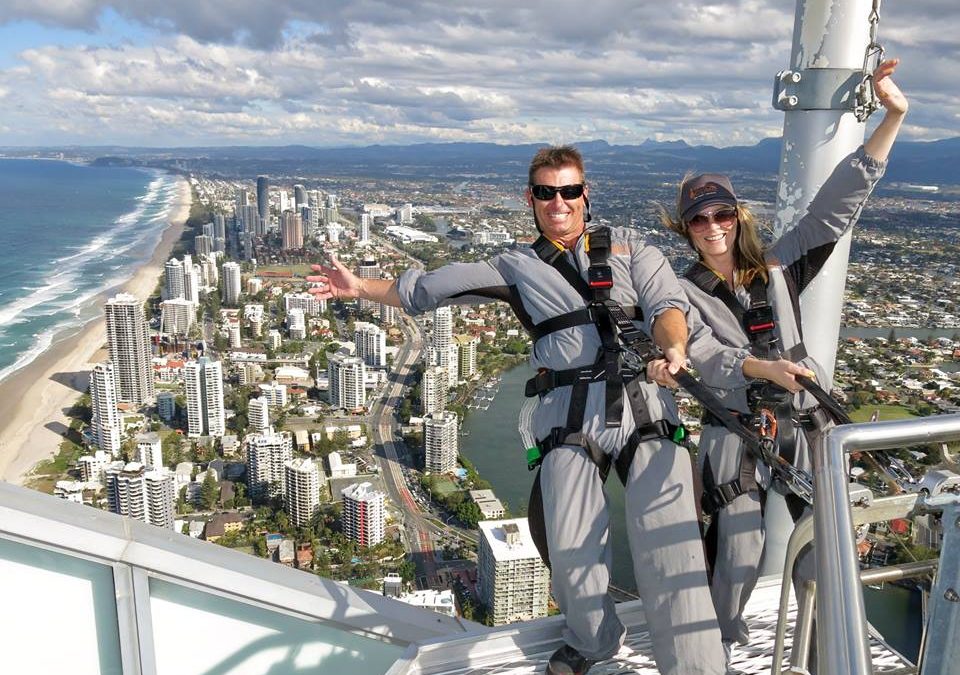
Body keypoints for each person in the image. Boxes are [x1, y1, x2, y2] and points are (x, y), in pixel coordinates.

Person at [307, 145, 809, 675]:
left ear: (585, 193)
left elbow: (667, 309)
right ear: (532, 199)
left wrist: (675, 351)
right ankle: (594, 641)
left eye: (569, 190)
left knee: (672, 547)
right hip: (568, 415)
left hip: (644, 405)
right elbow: (432, 287)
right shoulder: (518, 267)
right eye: (547, 193)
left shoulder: (634, 250)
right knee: (570, 554)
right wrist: (360, 286)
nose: (559, 202)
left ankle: (698, 669)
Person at [656, 59, 907, 659]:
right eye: (698, 220)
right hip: (736, 425)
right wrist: (761, 368)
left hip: (801, 418)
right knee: (739, 548)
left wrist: (892, 116)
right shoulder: (679, 290)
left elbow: (837, 205)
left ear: (736, 215)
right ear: (686, 229)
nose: (711, 227)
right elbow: (706, 354)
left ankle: (821, 637)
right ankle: (719, 642)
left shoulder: (779, 264)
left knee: (823, 539)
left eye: (720, 214)